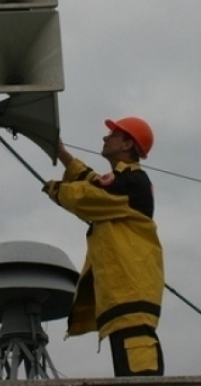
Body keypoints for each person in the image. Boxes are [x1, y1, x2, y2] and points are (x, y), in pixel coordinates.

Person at [41, 116, 164, 376]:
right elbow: (93, 181)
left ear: (127, 144)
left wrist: (56, 189)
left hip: (131, 293)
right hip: (124, 295)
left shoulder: (132, 182)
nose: (105, 138)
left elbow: (90, 194)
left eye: (113, 135)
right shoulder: (124, 182)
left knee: (139, 370)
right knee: (131, 365)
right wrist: (62, 154)